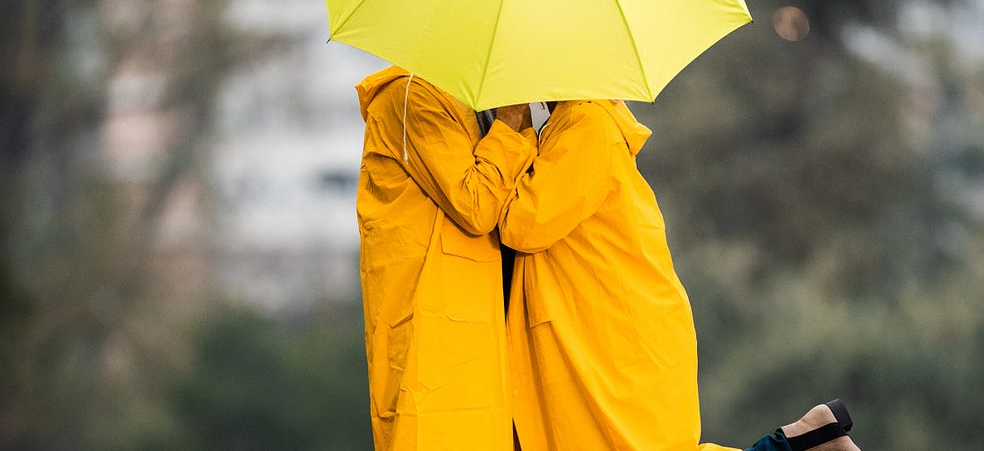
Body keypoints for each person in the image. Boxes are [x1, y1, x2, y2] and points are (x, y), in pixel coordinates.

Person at [499, 99, 862, 451]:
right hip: (613, 330)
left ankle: (803, 438)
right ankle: (806, 438)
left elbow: (522, 224)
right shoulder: (575, 123)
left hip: (614, 337)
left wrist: (509, 126)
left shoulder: (587, 124)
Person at [353, 66, 537, 451]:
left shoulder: (475, 103)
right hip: (432, 329)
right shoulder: (411, 98)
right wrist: (511, 122)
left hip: (479, 324)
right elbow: (477, 205)